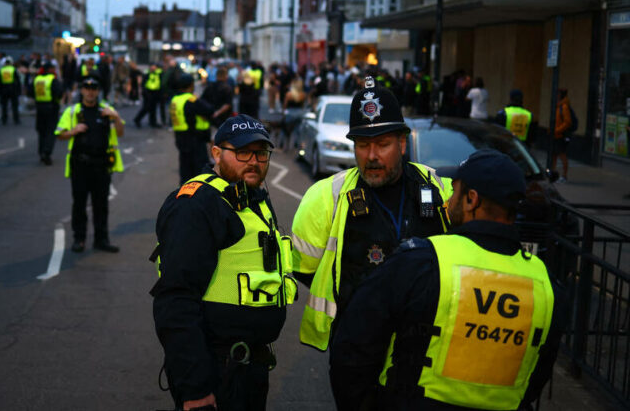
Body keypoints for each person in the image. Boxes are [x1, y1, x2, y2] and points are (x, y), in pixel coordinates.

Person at [330, 149, 564, 411]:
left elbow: (352, 350)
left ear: (471, 200)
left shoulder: (420, 262)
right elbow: (537, 373)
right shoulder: (546, 286)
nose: (447, 201)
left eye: (455, 191)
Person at [290, 78, 453, 352]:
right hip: (356, 352)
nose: (372, 156)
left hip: (425, 352)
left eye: (382, 144)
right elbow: (304, 269)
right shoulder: (325, 196)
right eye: (362, 145)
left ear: (402, 144)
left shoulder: (441, 191)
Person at [151, 114, 297, 411]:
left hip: (247, 366)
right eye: (243, 152)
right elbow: (175, 300)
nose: (254, 161)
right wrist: (195, 389)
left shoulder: (250, 196)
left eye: (261, 152)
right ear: (216, 153)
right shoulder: (197, 205)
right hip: (216, 370)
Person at [55, 77, 124, 253]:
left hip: (102, 165)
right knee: (79, 203)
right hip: (80, 164)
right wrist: (73, 131)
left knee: (101, 204)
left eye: (94, 88)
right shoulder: (72, 111)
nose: (90, 91)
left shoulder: (106, 111)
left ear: (98, 91)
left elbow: (120, 132)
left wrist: (116, 117)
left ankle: (102, 239)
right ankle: (79, 239)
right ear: (82, 90)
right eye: (87, 88)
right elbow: (59, 134)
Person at [171, 74, 215, 183]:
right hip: (195, 139)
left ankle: (184, 193)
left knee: (185, 170)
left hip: (180, 138)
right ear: (191, 85)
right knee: (200, 172)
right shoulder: (190, 100)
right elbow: (209, 110)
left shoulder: (175, 99)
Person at [32, 61, 63, 165]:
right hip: (51, 108)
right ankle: (47, 152)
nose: (54, 70)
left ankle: (41, 152)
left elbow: (30, 91)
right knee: (51, 131)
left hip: (39, 107)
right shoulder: (52, 80)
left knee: (42, 131)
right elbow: (59, 92)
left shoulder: (37, 79)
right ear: (49, 69)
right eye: (53, 68)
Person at [552, 88, 572, 183]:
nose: (556, 96)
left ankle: (564, 175)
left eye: (558, 94)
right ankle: (552, 173)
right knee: (554, 156)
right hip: (555, 135)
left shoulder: (563, 107)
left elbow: (567, 122)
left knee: (561, 155)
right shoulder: (558, 106)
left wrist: (557, 130)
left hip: (559, 135)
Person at [134, 63, 162, 127]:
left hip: (155, 92)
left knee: (153, 108)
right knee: (146, 108)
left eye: (154, 67)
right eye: (152, 67)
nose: (153, 68)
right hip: (148, 92)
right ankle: (137, 119)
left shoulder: (159, 73)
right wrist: (144, 92)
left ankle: (153, 122)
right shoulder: (146, 73)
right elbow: (143, 83)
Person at [0, 57, 22, 126]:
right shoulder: (13, 69)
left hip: (4, 90)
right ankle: (16, 119)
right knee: (14, 106)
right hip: (13, 89)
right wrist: (19, 91)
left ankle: (4, 120)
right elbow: (18, 81)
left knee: (4, 106)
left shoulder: (1, 70)